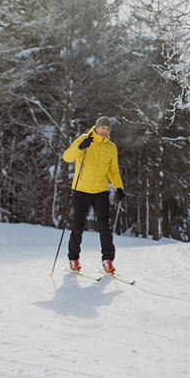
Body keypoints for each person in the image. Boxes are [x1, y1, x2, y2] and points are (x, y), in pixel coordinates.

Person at [61, 116, 126, 274]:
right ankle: (74, 259)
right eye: (103, 128)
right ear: (96, 128)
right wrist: (80, 147)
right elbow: (67, 157)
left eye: (108, 129)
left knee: (105, 227)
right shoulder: (84, 139)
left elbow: (114, 170)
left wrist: (119, 188)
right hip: (82, 190)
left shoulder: (111, 147)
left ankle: (108, 261)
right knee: (78, 226)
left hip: (101, 192)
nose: (105, 131)